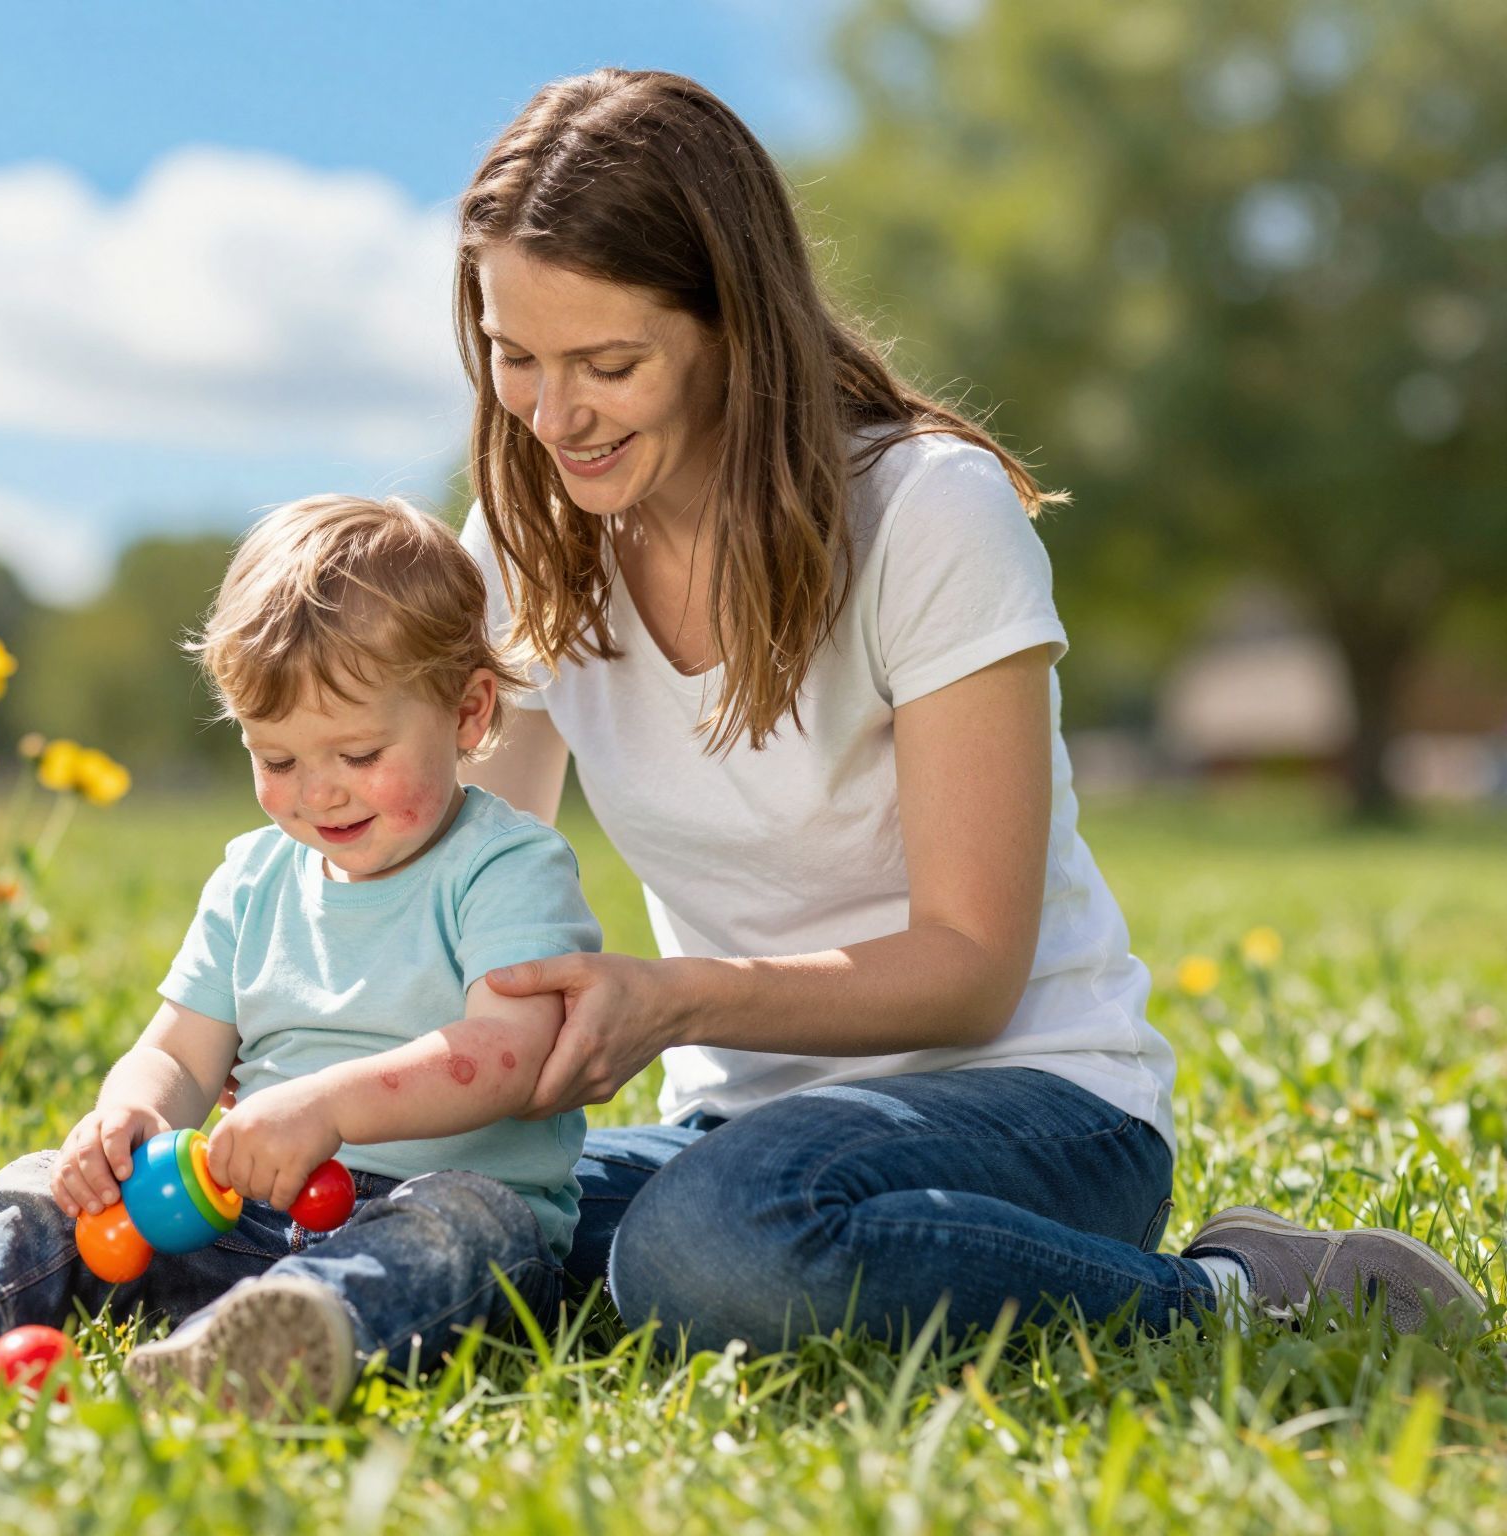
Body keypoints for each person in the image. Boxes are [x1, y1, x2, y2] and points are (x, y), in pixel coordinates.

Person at [449, 67, 1483, 1351]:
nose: (553, 416)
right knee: (454, 1222)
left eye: (607, 363)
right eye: (512, 358)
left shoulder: (924, 513)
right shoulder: (528, 546)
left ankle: (1243, 1295)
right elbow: (454, 898)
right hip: (743, 1135)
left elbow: (967, 967)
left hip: (1036, 1106)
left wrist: (668, 997)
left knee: (710, 1250)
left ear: (732, 328)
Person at [0, 494, 602, 1415]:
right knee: (43, 1187)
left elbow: (510, 1059)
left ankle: (288, 1336)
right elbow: (181, 1051)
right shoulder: (254, 876)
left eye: (357, 753)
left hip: (435, 1224)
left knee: (462, 1223)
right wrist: (130, 1114)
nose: (318, 792)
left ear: (470, 713)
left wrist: (327, 1106)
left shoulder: (507, 866)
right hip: (229, 1212)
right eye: (276, 760)